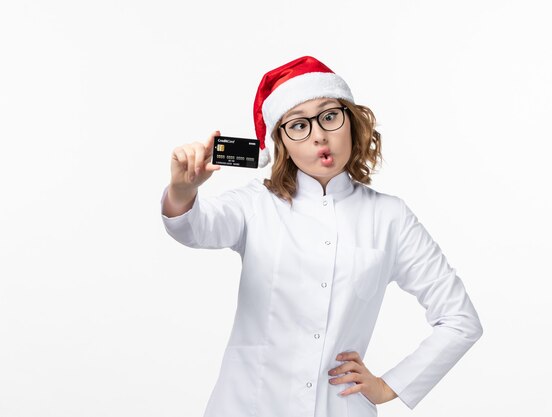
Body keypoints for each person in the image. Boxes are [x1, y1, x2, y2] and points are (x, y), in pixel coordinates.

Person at [160, 56, 483, 417]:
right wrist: (181, 190)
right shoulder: (256, 204)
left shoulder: (390, 217)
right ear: (281, 142)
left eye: (329, 116)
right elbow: (194, 228)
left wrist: (390, 386)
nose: (319, 135)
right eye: (298, 125)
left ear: (352, 122)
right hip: (247, 405)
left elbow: (460, 320)